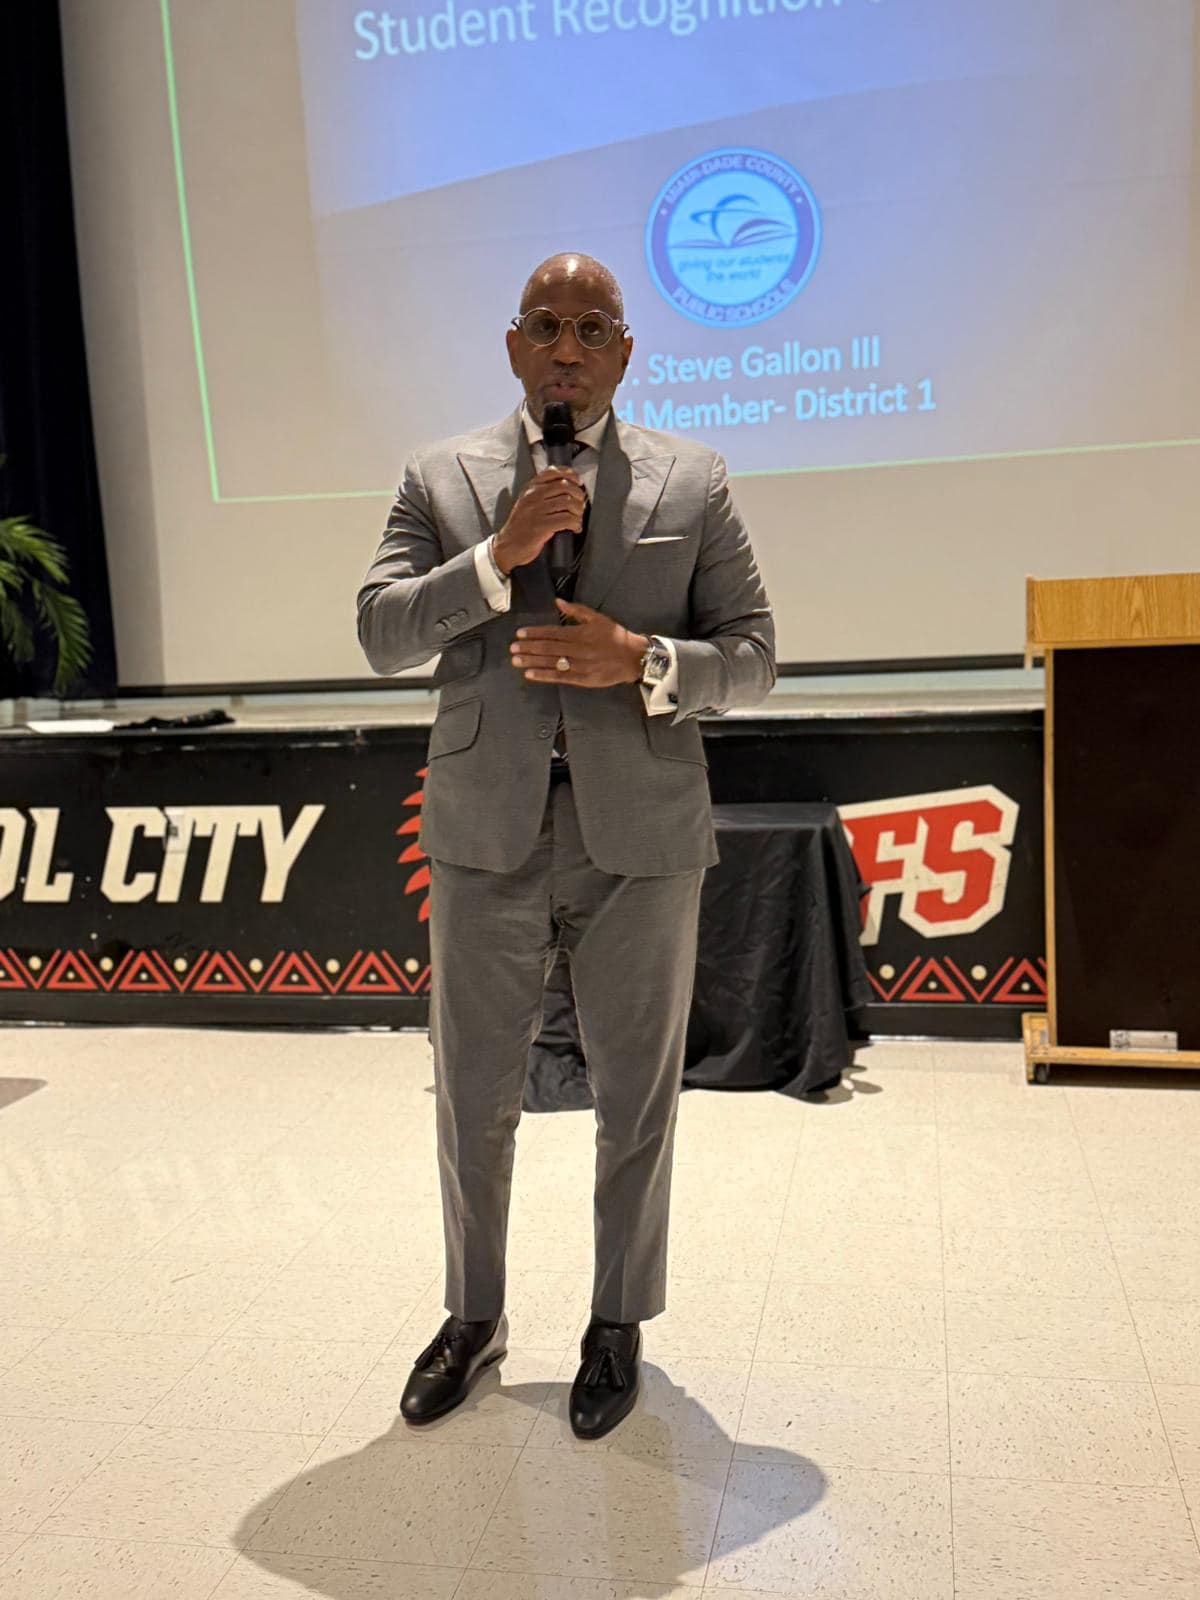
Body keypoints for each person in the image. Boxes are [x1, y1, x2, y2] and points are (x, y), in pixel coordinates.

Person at [356, 252, 775, 1439]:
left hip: (640, 833)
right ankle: (473, 1314)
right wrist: (494, 559)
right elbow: (382, 631)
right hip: (484, 828)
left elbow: (754, 656)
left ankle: (616, 1321)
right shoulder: (440, 477)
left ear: (626, 352)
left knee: (636, 1093)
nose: (568, 349)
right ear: (513, 344)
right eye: (546, 325)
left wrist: (643, 661)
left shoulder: (695, 480)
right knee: (471, 1092)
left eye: (594, 329)